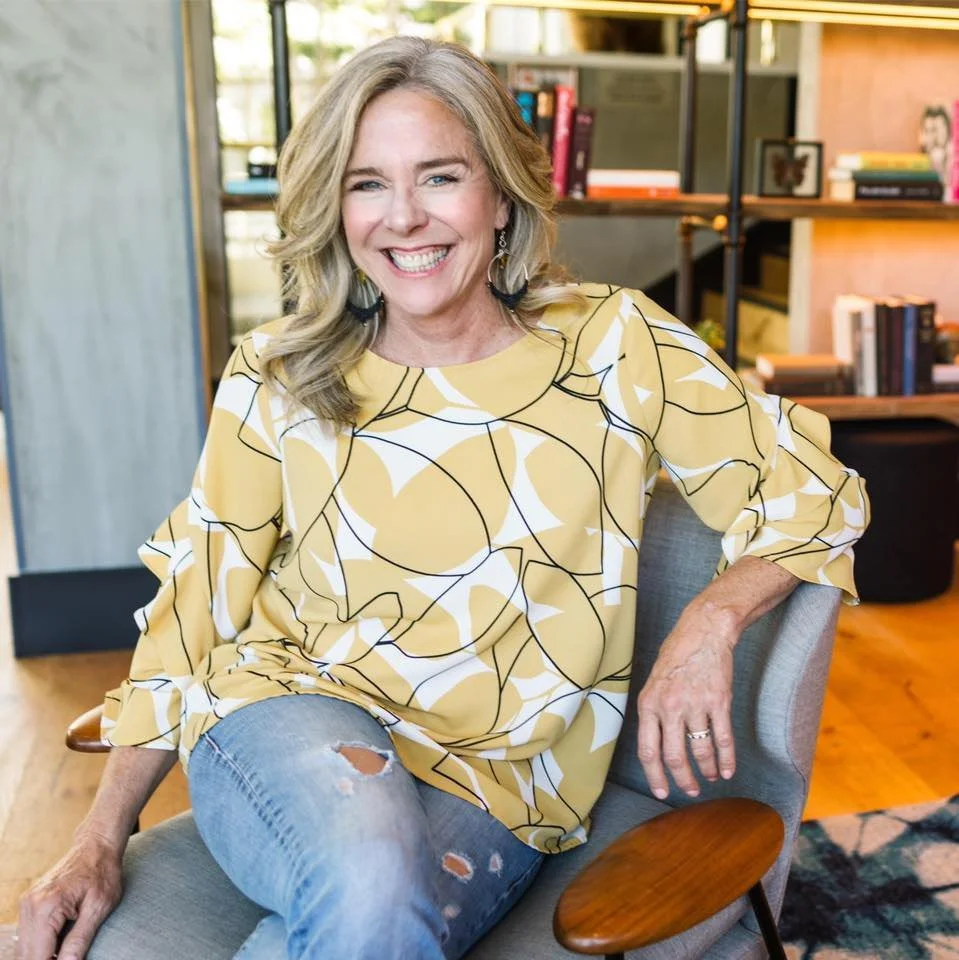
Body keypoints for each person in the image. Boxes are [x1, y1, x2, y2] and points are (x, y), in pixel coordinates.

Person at [16, 35, 869, 960]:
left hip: (502, 783)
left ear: (499, 195)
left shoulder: (615, 347)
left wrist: (707, 625)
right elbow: (196, 608)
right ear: (334, 209)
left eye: (439, 177)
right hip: (288, 714)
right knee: (371, 871)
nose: (404, 218)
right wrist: (96, 839)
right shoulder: (280, 372)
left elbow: (813, 491)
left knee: (372, 923)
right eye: (366, 183)